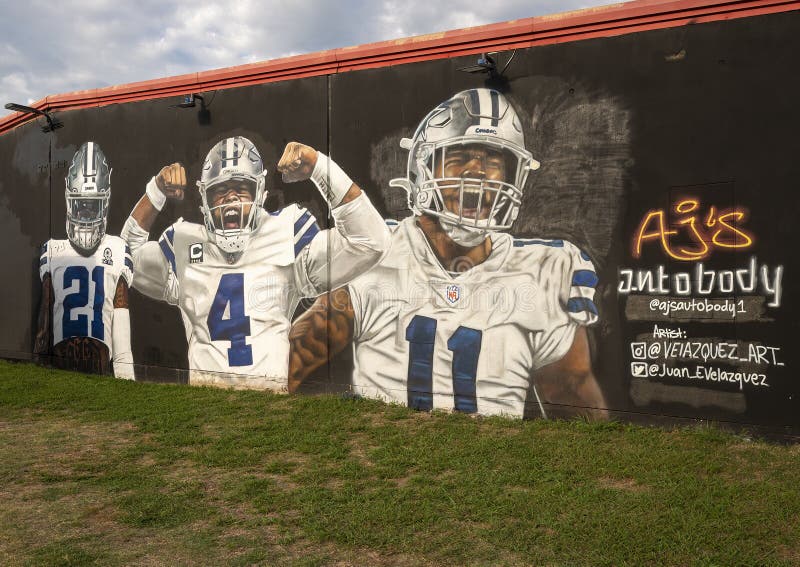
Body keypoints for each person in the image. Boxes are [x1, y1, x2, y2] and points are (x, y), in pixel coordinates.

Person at [289, 89, 607, 418]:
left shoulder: (545, 270)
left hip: (495, 460)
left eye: (494, 160)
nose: (478, 171)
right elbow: (300, 352)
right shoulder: (377, 251)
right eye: (458, 158)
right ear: (422, 170)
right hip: (387, 450)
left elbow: (573, 393)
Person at [121, 136, 389, 389]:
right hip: (203, 401)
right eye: (220, 190)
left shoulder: (286, 230)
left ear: (259, 193)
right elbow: (125, 261)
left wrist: (319, 167)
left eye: (242, 188)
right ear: (203, 197)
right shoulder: (184, 241)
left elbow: (370, 241)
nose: (231, 198)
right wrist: (155, 192)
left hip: (268, 402)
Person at [34, 142, 135, 379]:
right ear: (70, 201)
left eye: (93, 206)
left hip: (99, 368)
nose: (87, 214)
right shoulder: (53, 250)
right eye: (81, 206)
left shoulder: (117, 249)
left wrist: (125, 378)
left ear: (105, 203)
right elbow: (44, 326)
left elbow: (121, 340)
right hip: (63, 367)